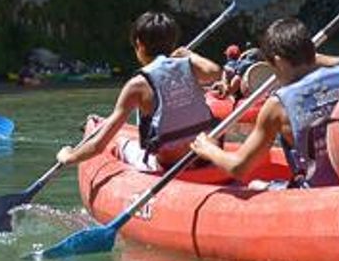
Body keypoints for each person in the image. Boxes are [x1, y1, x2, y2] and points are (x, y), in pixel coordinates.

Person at [190, 18, 339, 188]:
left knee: (254, 184)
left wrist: (209, 149)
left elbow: (240, 166)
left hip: (316, 193)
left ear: (277, 61)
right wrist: (322, 59)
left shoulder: (277, 106)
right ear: (311, 51)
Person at [55, 12, 221, 171]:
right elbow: (214, 71)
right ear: (172, 43)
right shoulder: (189, 66)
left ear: (139, 44)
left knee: (120, 144)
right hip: (204, 155)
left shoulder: (137, 85)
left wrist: (69, 156)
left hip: (170, 163)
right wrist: (189, 54)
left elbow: (99, 146)